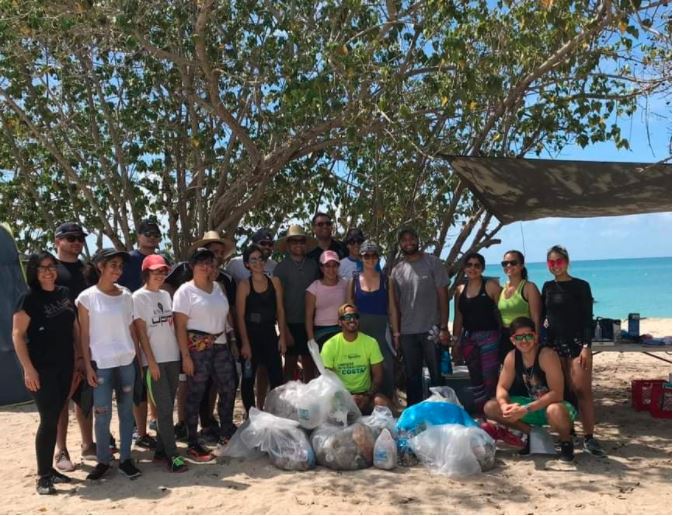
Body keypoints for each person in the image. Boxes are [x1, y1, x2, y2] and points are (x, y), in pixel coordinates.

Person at [12, 252, 79, 494]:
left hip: (66, 364)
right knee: (48, 419)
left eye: (51, 266)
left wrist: (80, 357)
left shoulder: (63, 293)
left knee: (58, 414)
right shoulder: (28, 298)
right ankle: (43, 476)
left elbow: (74, 326)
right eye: (42, 268)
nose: (48, 271)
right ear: (34, 272)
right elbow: (17, 335)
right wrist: (28, 369)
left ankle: (50, 470)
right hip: (42, 368)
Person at [173, 247, 245, 463]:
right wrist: (185, 356)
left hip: (221, 344)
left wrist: (232, 339)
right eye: (202, 263)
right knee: (195, 394)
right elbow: (179, 327)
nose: (207, 267)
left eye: (211, 263)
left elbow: (224, 317)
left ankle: (225, 433)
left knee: (229, 387)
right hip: (197, 348)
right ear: (192, 267)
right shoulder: (184, 292)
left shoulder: (218, 288)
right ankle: (193, 441)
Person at [77, 248, 142, 481]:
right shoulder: (87, 297)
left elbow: (132, 328)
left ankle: (126, 459)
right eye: (112, 265)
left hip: (126, 361)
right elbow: (84, 335)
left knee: (126, 412)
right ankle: (103, 460)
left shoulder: (126, 295)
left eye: (120, 266)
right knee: (101, 413)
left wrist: (138, 357)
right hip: (101, 363)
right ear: (100, 267)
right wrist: (87, 365)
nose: (117, 270)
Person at [483, 316, 577, 462]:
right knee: (491, 407)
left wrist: (525, 409)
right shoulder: (512, 357)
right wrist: (504, 405)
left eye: (528, 336)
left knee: (555, 410)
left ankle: (566, 441)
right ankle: (533, 434)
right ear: (512, 340)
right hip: (530, 404)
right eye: (519, 337)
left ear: (535, 337)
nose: (524, 341)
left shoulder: (547, 355)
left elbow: (557, 394)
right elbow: (502, 387)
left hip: (556, 406)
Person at [542, 245, 605, 456]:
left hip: (578, 345)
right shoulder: (547, 287)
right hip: (554, 346)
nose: (555, 266)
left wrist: (587, 347)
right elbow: (545, 315)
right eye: (551, 262)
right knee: (563, 392)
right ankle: (568, 433)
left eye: (559, 261)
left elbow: (588, 319)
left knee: (582, 391)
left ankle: (589, 437)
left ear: (567, 262)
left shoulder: (581, 286)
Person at [132, 254, 188, 473]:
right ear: (146, 273)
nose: (160, 275)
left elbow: (172, 326)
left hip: (172, 357)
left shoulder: (166, 295)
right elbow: (141, 333)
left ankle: (160, 451)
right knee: (164, 409)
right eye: (155, 271)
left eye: (163, 271)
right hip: (153, 361)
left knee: (168, 406)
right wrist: (151, 362)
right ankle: (173, 455)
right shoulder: (138, 297)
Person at [390, 227, 450, 407]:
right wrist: (397, 333)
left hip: (431, 329)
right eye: (404, 240)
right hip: (408, 332)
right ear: (400, 244)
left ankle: (442, 410)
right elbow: (395, 306)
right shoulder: (397, 270)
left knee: (436, 375)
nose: (408, 243)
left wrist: (444, 327)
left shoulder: (433, 263)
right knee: (412, 377)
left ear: (418, 240)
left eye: (411, 238)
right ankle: (415, 414)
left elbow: (443, 297)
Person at [52, 222, 94, 471]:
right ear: (57, 241)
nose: (76, 242)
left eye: (79, 238)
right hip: (60, 343)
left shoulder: (88, 270)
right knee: (60, 401)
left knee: (85, 397)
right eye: (70, 238)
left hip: (89, 341)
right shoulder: (50, 270)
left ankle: (88, 444)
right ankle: (61, 450)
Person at [118, 218, 162, 451]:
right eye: (147, 233)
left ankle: (152, 422)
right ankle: (138, 428)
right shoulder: (129, 260)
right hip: (132, 326)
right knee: (136, 381)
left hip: (156, 325)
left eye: (155, 234)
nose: (152, 237)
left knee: (153, 377)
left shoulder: (161, 261)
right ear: (138, 235)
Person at [235, 244, 287, 412]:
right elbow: (240, 317)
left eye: (260, 259)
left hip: (270, 334)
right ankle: (251, 416)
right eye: (253, 259)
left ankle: (275, 413)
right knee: (249, 379)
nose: (258, 263)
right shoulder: (244, 285)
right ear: (247, 264)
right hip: (250, 335)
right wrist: (244, 343)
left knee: (277, 377)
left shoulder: (275, 282)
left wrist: (283, 337)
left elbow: (280, 310)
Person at [346, 241, 399, 400]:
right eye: (366, 255)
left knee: (386, 367)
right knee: (361, 367)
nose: (370, 259)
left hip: (381, 331)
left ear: (378, 257)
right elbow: (349, 310)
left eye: (374, 255)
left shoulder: (386, 280)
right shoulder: (353, 281)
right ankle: (363, 405)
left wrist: (396, 334)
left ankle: (386, 404)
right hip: (360, 331)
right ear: (361, 258)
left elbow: (392, 309)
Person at [452, 252, 502, 413]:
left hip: (490, 337)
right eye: (469, 265)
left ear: (482, 268)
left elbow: (502, 312)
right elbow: (458, 317)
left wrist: (505, 337)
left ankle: (494, 413)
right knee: (475, 379)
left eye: (477, 265)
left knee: (490, 377)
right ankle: (482, 413)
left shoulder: (491, 286)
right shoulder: (459, 290)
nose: (472, 268)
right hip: (469, 339)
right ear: (464, 268)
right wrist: (455, 342)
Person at [320, 304, 390, 414]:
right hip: (342, 396)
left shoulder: (370, 342)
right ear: (340, 322)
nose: (352, 320)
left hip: (366, 395)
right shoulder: (330, 345)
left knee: (382, 402)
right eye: (347, 317)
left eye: (355, 316)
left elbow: (378, 377)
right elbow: (329, 379)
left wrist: (367, 397)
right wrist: (347, 398)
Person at [274, 224, 320, 382]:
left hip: (311, 323)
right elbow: (277, 302)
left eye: (301, 241)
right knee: (290, 365)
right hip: (290, 323)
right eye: (294, 241)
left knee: (310, 364)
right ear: (287, 245)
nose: (298, 244)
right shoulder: (280, 269)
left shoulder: (313, 266)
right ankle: (288, 402)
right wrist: (284, 329)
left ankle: (309, 402)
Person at [497, 250, 542, 363]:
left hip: (524, 338)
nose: (508, 265)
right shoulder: (503, 289)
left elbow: (536, 317)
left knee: (524, 374)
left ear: (521, 265)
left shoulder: (529, 287)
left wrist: (535, 340)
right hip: (505, 337)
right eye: (505, 263)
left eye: (513, 262)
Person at [306, 250, 348, 350]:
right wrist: (311, 340)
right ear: (321, 268)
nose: (331, 269)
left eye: (334, 265)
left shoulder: (346, 284)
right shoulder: (313, 288)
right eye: (327, 266)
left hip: (343, 330)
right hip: (321, 332)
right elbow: (308, 317)